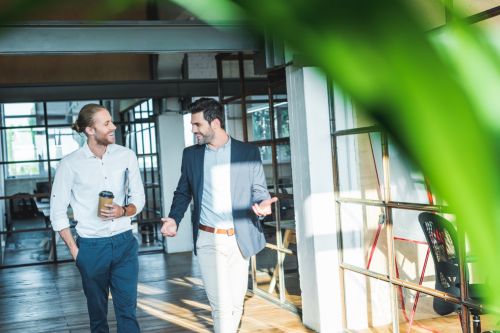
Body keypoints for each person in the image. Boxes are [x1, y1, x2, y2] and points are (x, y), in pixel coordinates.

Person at [161, 98, 277, 333]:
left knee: (235, 303)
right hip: (208, 239)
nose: (193, 130)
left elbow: (259, 191)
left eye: (197, 125)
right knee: (221, 307)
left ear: (215, 123)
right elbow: (183, 191)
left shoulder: (247, 152)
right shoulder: (191, 155)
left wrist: (262, 206)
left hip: (240, 238)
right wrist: (174, 218)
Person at [50, 104, 145, 333]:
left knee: (128, 313)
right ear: (90, 130)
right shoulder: (70, 164)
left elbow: (139, 198)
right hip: (91, 248)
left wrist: (123, 210)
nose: (113, 126)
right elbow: (58, 212)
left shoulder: (126, 156)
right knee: (98, 317)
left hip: (124, 243)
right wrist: (76, 252)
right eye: (106, 123)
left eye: (111, 121)